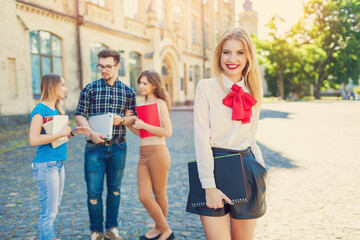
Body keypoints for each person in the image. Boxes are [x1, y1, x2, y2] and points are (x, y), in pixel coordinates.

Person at [186, 27, 267, 240]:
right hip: (214, 168)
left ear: (248, 56)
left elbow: (252, 136)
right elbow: (201, 138)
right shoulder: (206, 87)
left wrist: (261, 169)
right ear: (219, 55)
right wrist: (209, 185)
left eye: (240, 52)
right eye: (226, 52)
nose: (232, 58)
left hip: (247, 168)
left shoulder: (254, 91)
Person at [74, 48, 137, 240]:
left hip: (118, 146)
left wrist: (123, 121)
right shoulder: (90, 89)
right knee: (93, 191)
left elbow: (133, 118)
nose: (104, 70)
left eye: (108, 66)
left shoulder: (128, 91)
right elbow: (79, 115)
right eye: (100, 66)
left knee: (115, 189)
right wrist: (90, 132)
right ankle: (96, 231)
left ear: (118, 66)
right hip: (94, 148)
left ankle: (111, 228)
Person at [29, 73, 90, 240]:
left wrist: (72, 133)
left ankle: (50, 237)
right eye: (63, 85)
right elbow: (34, 140)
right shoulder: (39, 110)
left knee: (53, 208)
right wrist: (60, 134)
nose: (66, 89)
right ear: (53, 87)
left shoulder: (55, 109)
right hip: (45, 165)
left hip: (57, 164)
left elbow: (57, 140)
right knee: (48, 212)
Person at [125, 70, 174, 240]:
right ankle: (164, 227)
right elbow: (142, 134)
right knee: (144, 195)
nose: (141, 86)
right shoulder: (143, 104)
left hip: (158, 152)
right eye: (140, 83)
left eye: (145, 83)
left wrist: (143, 124)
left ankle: (162, 229)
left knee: (159, 193)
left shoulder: (160, 104)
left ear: (154, 84)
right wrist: (128, 123)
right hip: (143, 153)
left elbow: (167, 132)